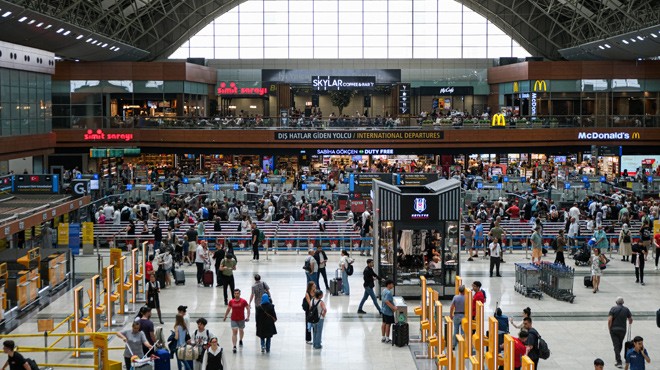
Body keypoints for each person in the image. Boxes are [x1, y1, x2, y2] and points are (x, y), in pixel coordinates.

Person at [609, 297, 633, 368]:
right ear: (623, 303)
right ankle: (618, 357)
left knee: (616, 345)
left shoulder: (613, 309)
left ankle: (618, 361)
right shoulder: (626, 309)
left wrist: (609, 328)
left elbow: (609, 320)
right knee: (620, 343)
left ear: (616, 302)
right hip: (623, 330)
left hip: (614, 329)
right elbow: (630, 319)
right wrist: (629, 322)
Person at [223, 289, 250, 354]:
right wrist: (225, 316)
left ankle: (240, 340)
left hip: (241, 319)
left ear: (240, 294)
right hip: (234, 319)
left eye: (237, 293)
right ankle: (234, 346)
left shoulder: (243, 301)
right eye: (235, 293)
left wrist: (248, 317)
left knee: (241, 330)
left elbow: (248, 308)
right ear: (234, 294)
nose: (236, 294)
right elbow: (228, 309)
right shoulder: (231, 301)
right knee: (234, 331)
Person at [449, 285, 465, 349]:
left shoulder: (455, 297)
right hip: (464, 316)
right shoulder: (467, 298)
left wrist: (451, 315)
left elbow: (452, 307)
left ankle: (453, 345)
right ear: (464, 291)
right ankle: (462, 345)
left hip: (456, 315)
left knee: (456, 330)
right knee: (463, 331)